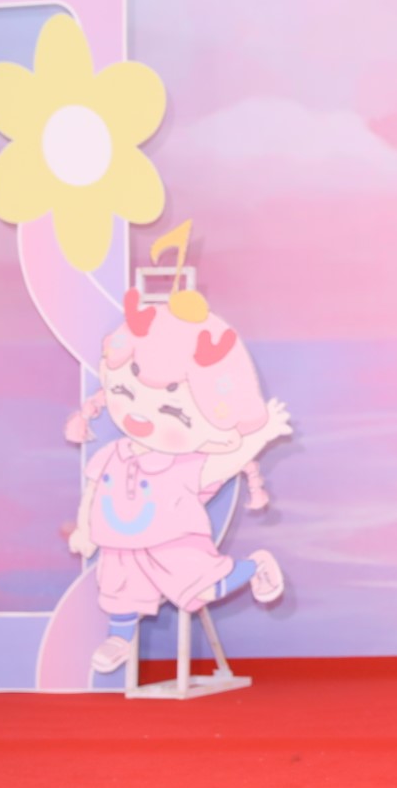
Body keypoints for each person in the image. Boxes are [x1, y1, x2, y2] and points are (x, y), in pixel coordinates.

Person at [65, 287, 291, 673]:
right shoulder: (112, 455)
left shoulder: (185, 466)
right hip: (118, 545)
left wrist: (260, 435)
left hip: (174, 544)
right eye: (124, 391)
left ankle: (254, 567)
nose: (140, 416)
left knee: (202, 586)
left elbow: (227, 463)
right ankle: (119, 637)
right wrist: (85, 531)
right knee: (119, 592)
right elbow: (92, 493)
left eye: (172, 411)